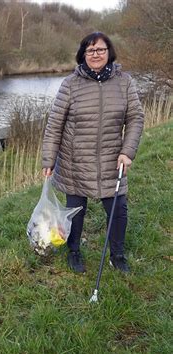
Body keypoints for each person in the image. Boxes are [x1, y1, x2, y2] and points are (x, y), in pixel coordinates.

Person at [42, 32, 144, 274]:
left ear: (109, 52)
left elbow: (135, 118)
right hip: (75, 162)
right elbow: (55, 124)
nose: (95, 54)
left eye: (100, 50)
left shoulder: (124, 82)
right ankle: (74, 251)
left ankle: (117, 255)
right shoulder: (70, 84)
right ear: (83, 55)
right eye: (90, 50)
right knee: (75, 212)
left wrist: (127, 152)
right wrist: (48, 159)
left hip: (112, 160)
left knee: (118, 211)